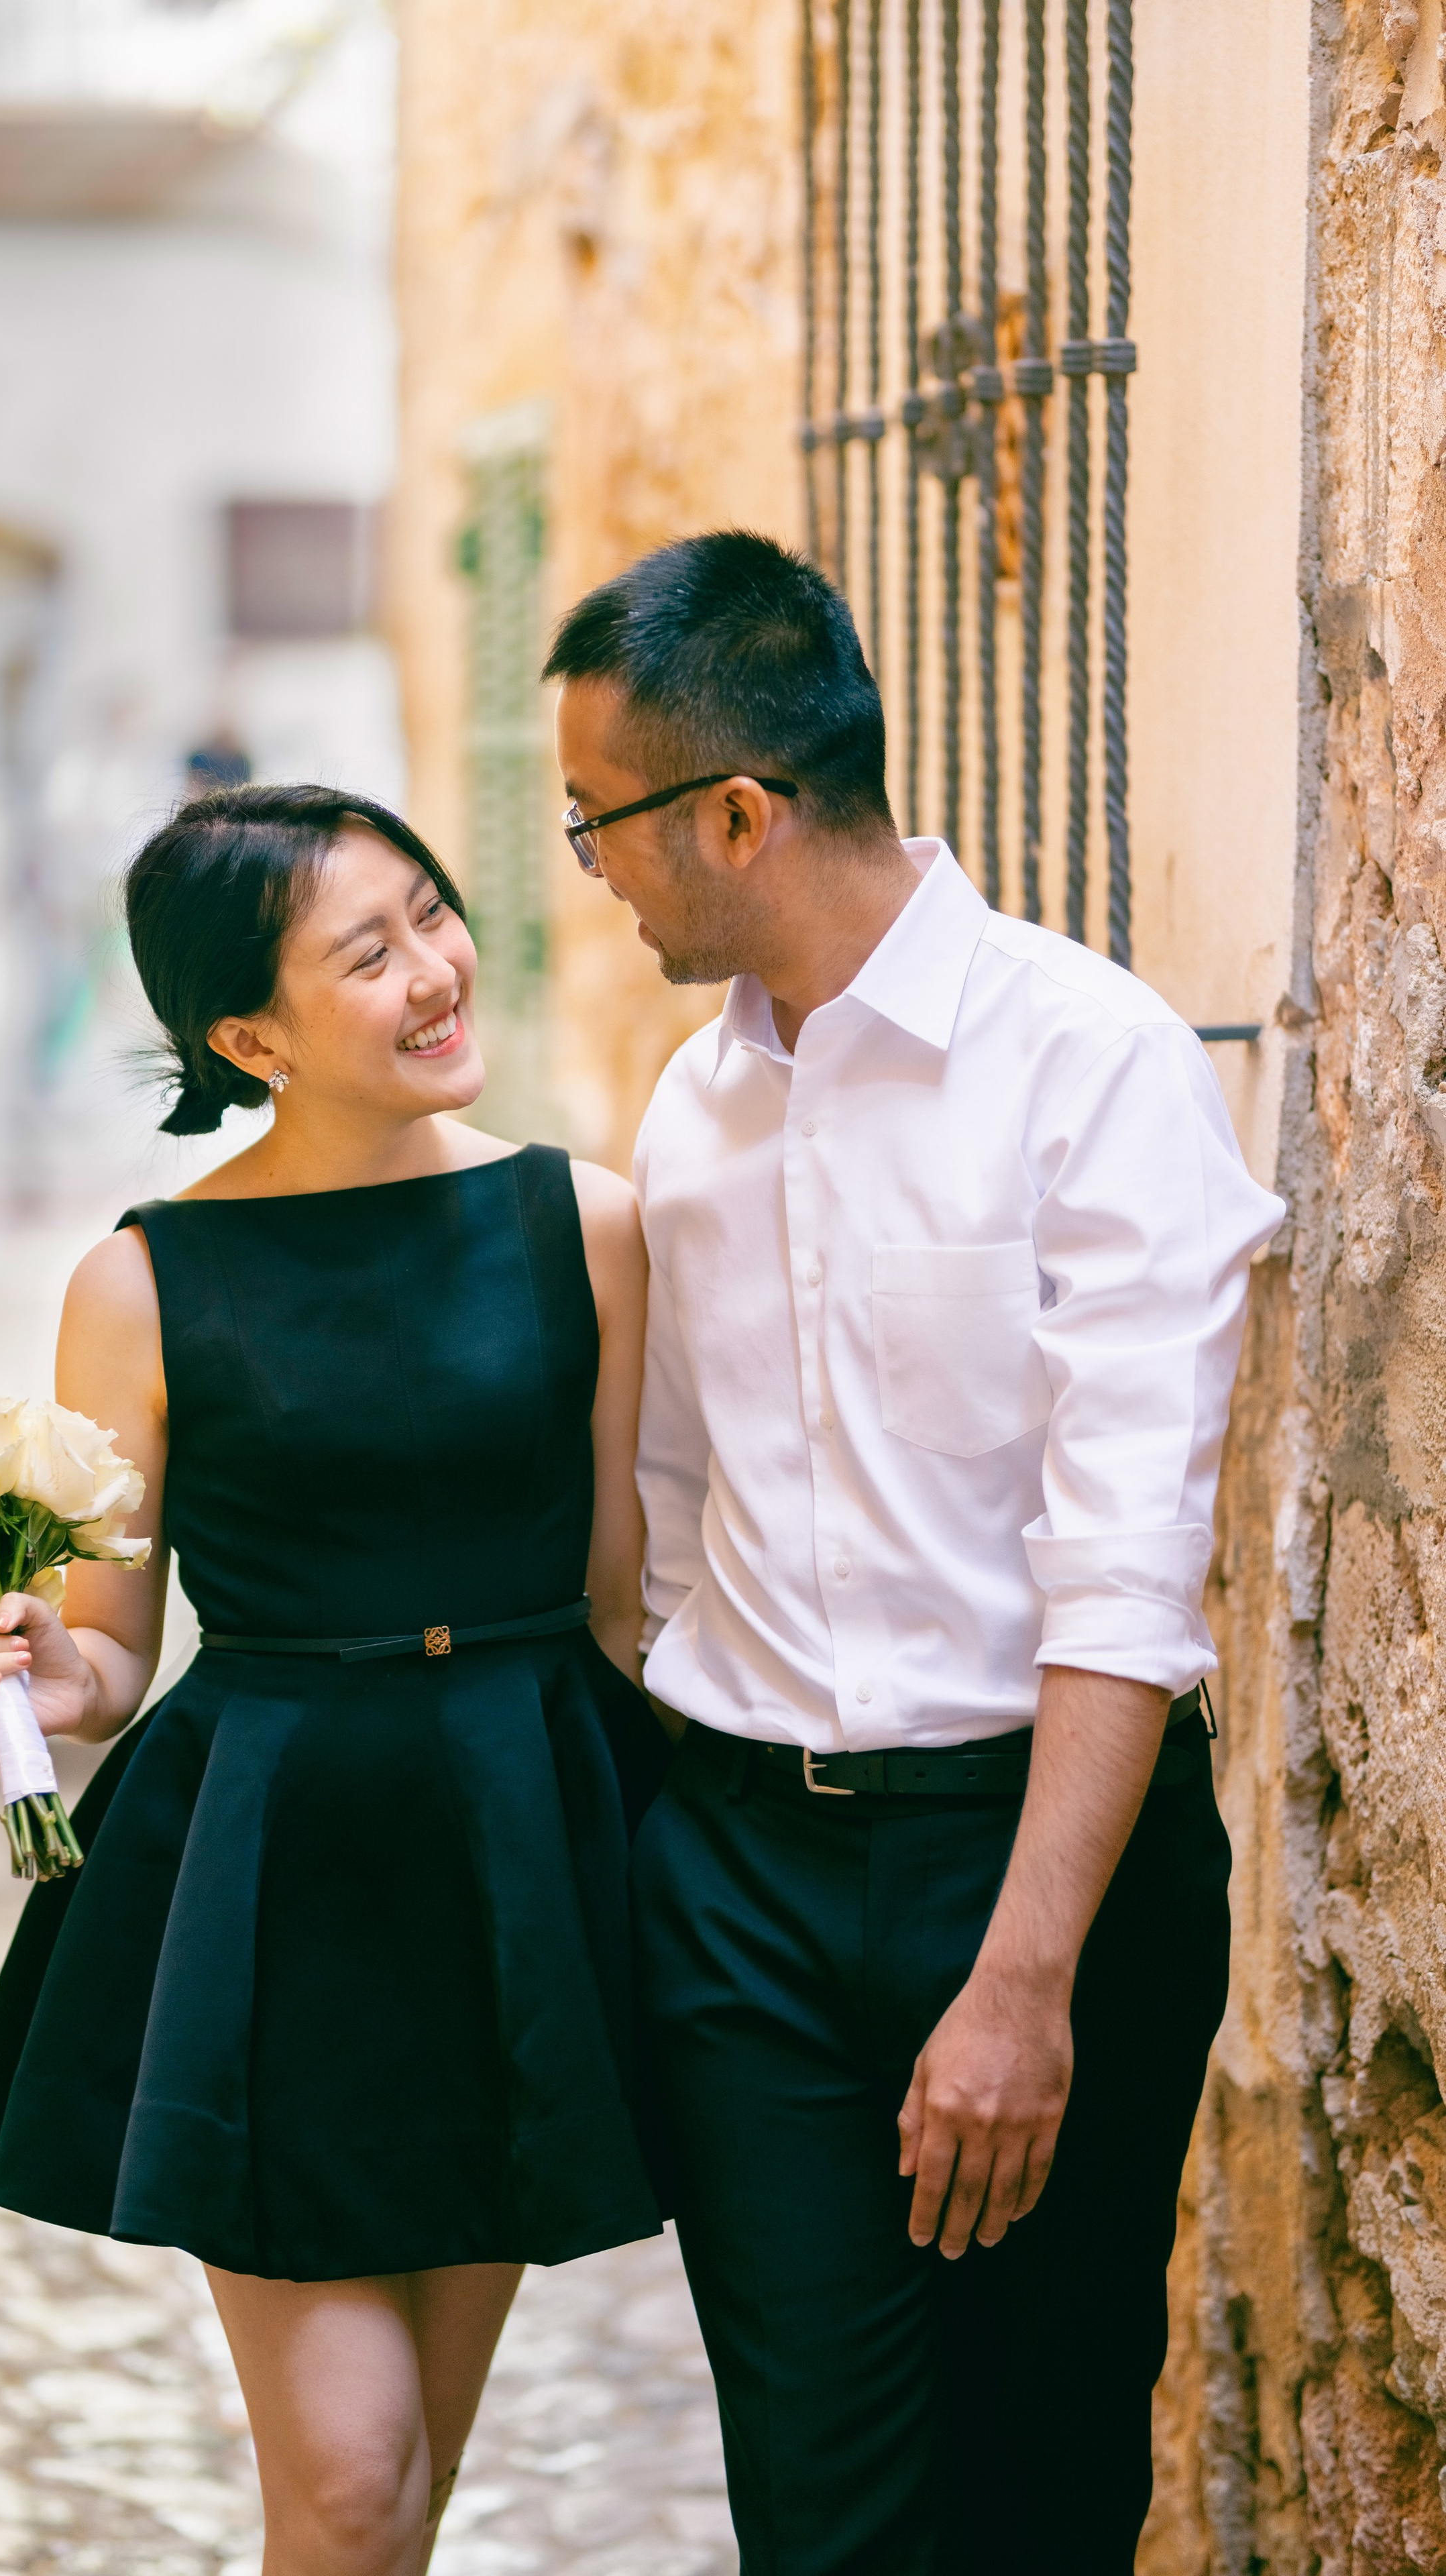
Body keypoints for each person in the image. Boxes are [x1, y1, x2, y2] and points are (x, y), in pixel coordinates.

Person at [545, 531, 1285, 2575]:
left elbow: (1126, 1565)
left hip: (1040, 1865)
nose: (592, 872)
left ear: (739, 816)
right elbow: (673, 1520)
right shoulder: (695, 1113)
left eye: (601, 821)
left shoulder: (1091, 1062)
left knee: (1042, 2491)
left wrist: (1024, 1977)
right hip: (746, 1901)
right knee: (823, 2511)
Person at [0, 783, 669, 2576]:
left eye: (431, 914)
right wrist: (51, 1674)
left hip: (515, 1848)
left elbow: (622, 1595)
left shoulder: (588, 1224)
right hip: (273, 1875)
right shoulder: (142, 1282)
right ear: (251, 1038)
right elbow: (118, 1640)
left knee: (406, 2492)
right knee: (346, 2475)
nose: (435, 970)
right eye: (369, 952)